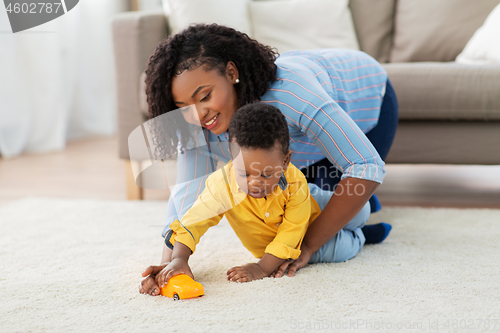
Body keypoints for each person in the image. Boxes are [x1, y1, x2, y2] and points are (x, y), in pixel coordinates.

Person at [139, 23, 398, 295]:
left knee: (345, 200)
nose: (198, 115)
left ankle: (364, 215)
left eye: (205, 96)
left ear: (231, 73)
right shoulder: (196, 125)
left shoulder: (291, 94)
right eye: (184, 107)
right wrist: (168, 265)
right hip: (292, 155)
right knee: (290, 204)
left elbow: (365, 166)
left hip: (366, 101)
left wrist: (306, 247)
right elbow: (188, 199)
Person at [140, 103, 391, 292]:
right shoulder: (221, 185)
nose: (255, 182)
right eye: (244, 173)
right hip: (284, 245)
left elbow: (292, 226)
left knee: (361, 210)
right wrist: (179, 258)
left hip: (306, 205)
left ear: (285, 161)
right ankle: (362, 236)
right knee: (344, 247)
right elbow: (193, 221)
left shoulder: (294, 181)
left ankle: (357, 218)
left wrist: (260, 269)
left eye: (266, 173)